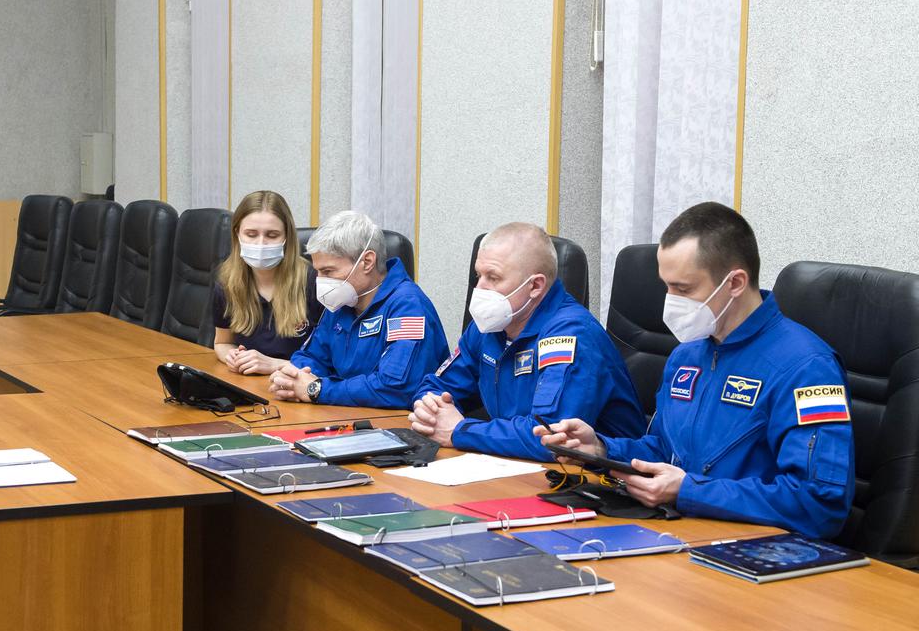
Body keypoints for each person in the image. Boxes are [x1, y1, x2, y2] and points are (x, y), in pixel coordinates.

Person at [537, 202, 854, 538]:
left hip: (756, 548)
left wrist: (689, 491)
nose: (670, 302)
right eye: (667, 286)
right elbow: (663, 451)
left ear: (735, 283)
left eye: (684, 289)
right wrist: (602, 450)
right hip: (680, 532)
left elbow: (820, 503)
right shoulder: (686, 355)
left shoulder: (807, 368)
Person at [410, 223, 645, 458]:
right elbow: (437, 385)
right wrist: (429, 409)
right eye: (478, 275)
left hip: (602, 480)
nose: (479, 288)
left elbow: (550, 436)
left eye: (493, 277)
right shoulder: (491, 324)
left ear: (535, 286)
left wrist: (460, 430)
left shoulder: (571, 335)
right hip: (518, 465)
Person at [270, 211, 447, 408]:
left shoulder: (408, 307)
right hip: (341, 414)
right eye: (317, 271)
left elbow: (394, 389)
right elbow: (311, 357)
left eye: (328, 271)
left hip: (394, 424)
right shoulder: (343, 298)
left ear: (367, 262)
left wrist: (318, 389)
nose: (320, 281)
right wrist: (292, 380)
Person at [212, 190, 323, 376]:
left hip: (298, 385)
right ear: (237, 234)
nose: (261, 243)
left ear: (287, 237)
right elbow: (222, 342)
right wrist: (233, 357)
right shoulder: (227, 284)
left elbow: (331, 362)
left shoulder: (314, 281)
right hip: (249, 384)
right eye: (251, 234)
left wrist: (275, 365)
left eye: (272, 235)